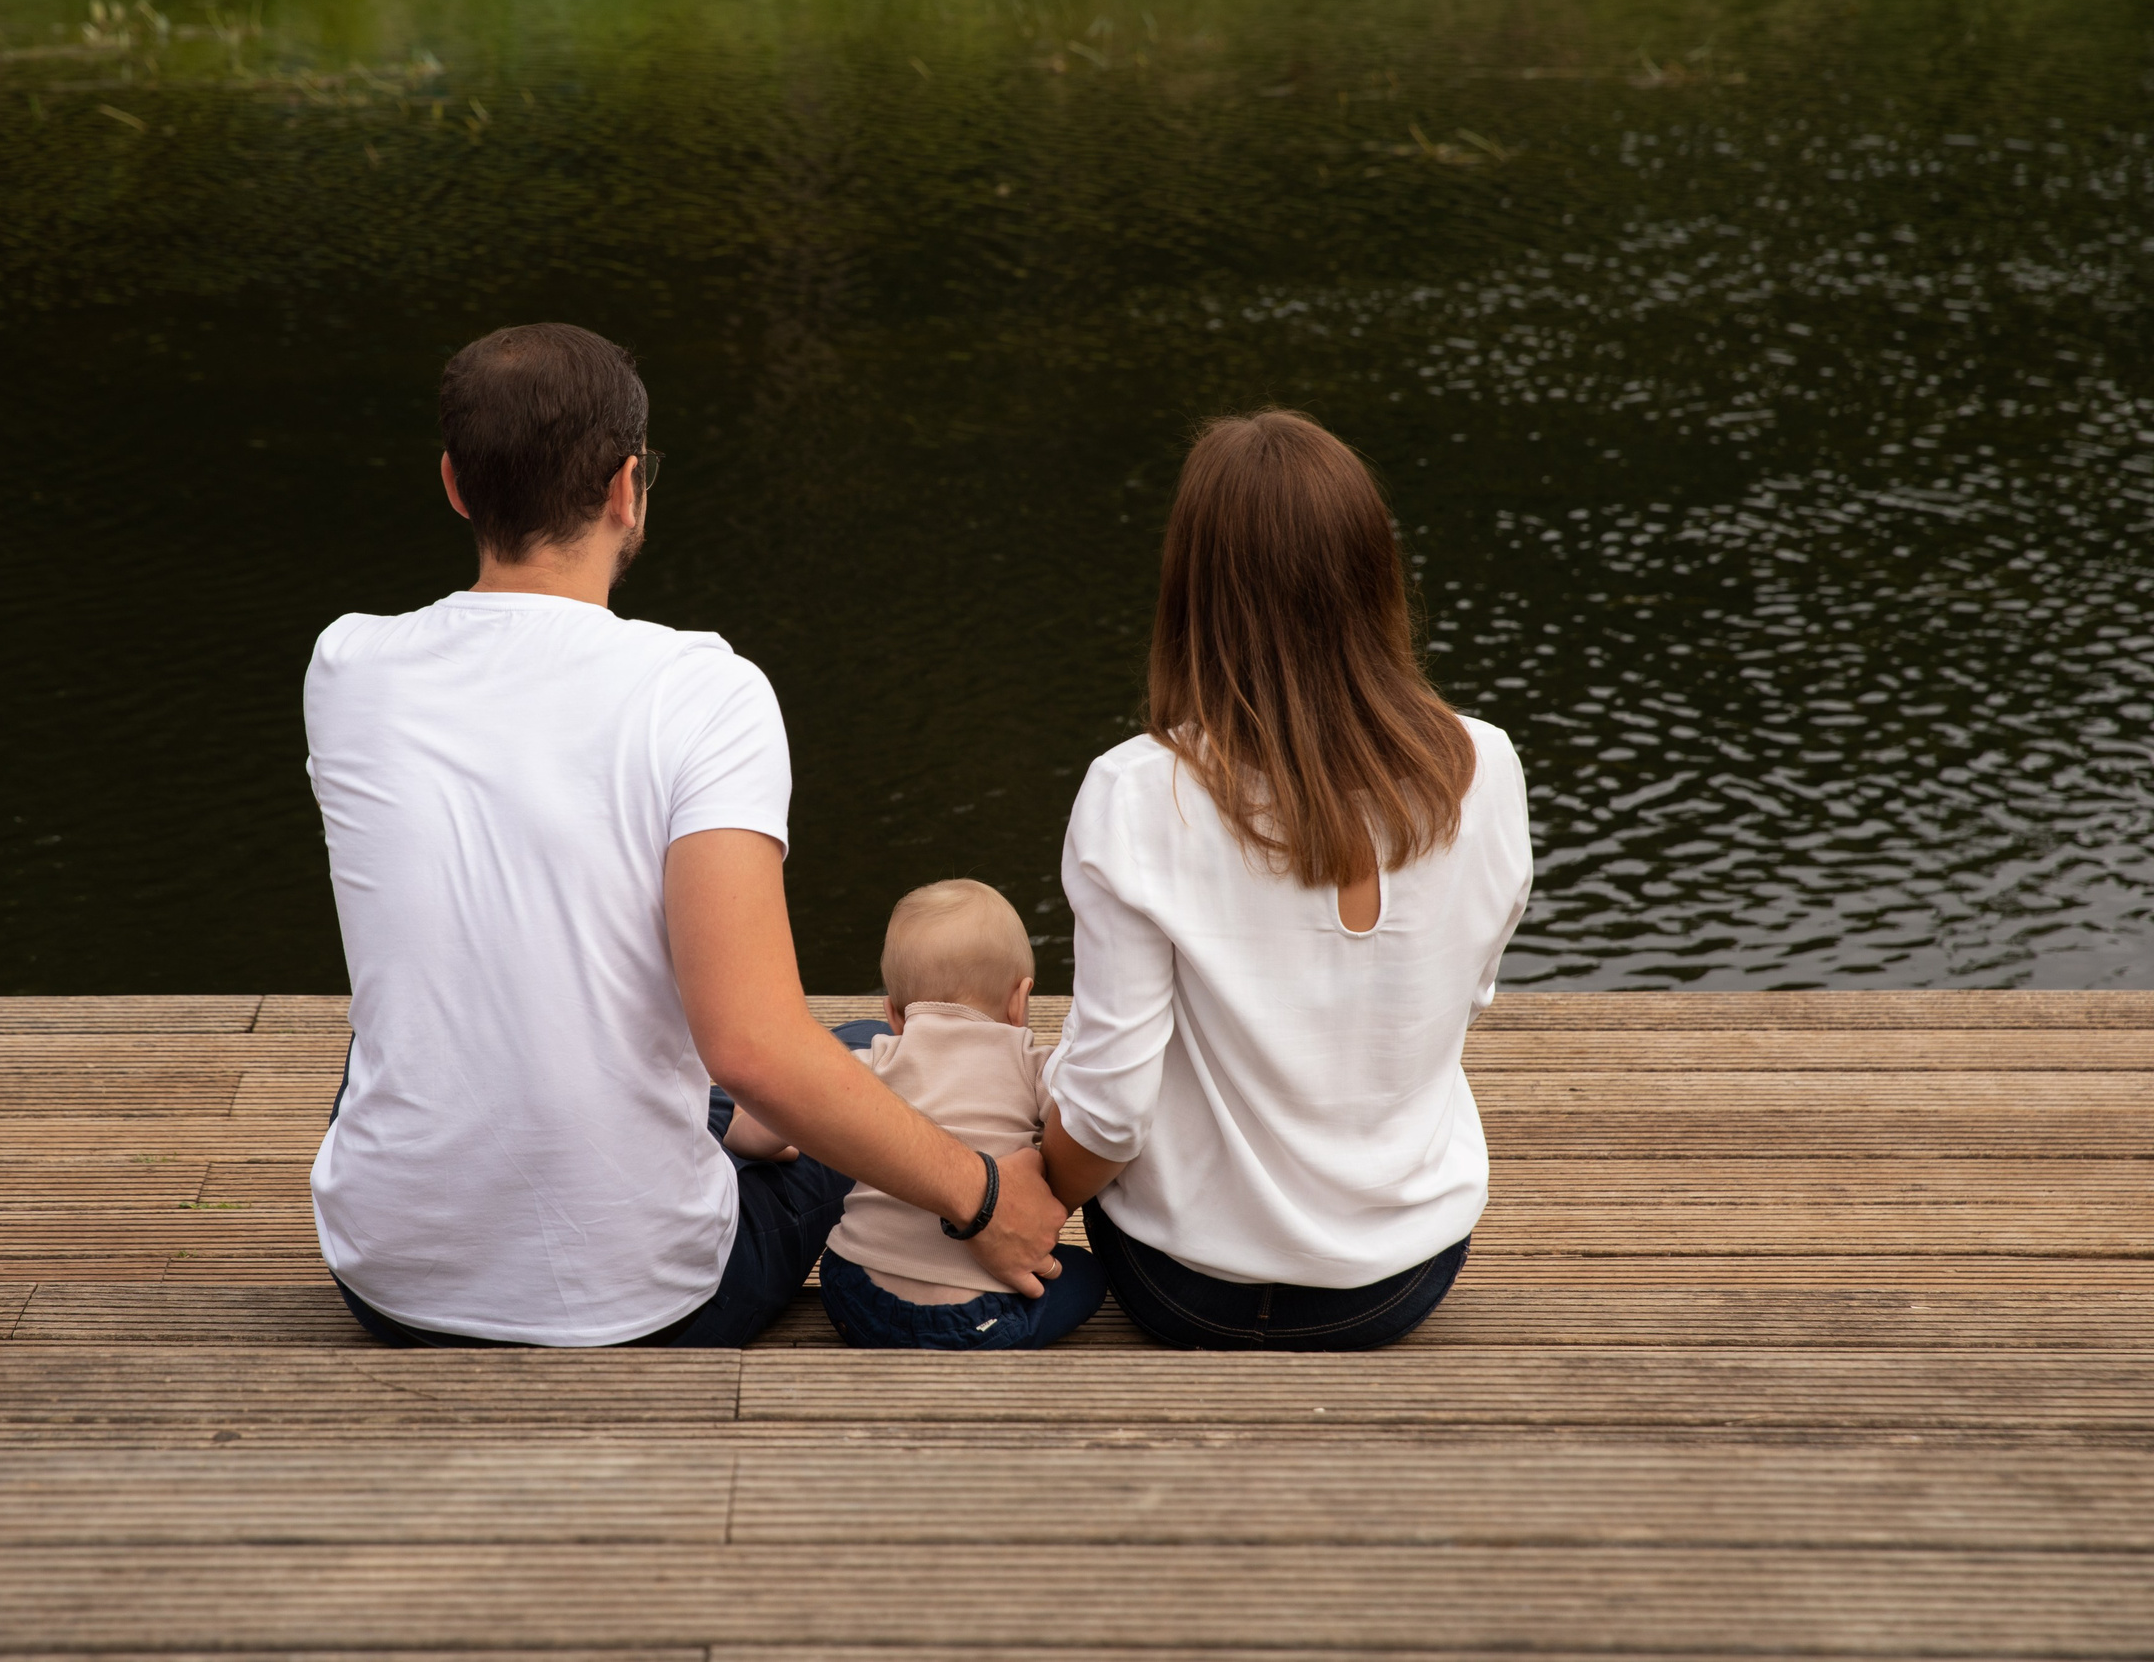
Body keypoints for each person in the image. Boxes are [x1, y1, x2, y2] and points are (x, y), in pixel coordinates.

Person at [304, 323, 1067, 1349]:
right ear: (627, 487)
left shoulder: (347, 669)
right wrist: (980, 1194)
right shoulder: (704, 692)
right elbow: (751, 1047)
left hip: (391, 1279)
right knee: (857, 1058)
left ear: (454, 484)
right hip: (654, 1298)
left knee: (422, 1005)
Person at [1038, 409, 1532, 1351]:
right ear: (1373, 575)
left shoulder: (1139, 792)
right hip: (1401, 1279)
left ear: (1193, 589)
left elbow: (1107, 1112)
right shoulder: (1487, 767)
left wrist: (1019, 1198)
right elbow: (1459, 1001)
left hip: (1179, 1287)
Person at [799, 881, 1109, 1350]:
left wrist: (759, 1138)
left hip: (853, 1295)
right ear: (1019, 1001)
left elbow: (763, 1123)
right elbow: (1090, 1121)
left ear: (893, 1014)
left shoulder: (878, 1058)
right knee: (1086, 1275)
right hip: (972, 1318)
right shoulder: (1033, 1065)